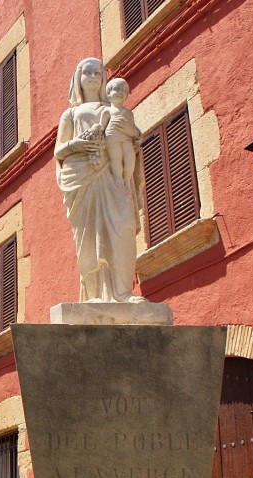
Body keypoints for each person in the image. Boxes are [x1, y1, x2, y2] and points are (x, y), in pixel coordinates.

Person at [55, 58, 145, 303]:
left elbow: (132, 137)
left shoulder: (115, 109)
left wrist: (134, 141)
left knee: (124, 227)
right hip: (83, 178)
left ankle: (123, 292)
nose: (93, 76)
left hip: (115, 175)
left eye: (97, 72)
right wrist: (77, 144)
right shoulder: (71, 114)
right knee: (89, 236)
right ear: (78, 78)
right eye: (87, 72)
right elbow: (59, 151)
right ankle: (94, 295)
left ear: (104, 79)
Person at [102, 78, 142, 184]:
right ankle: (118, 179)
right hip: (112, 136)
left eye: (123, 90)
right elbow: (101, 126)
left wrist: (138, 135)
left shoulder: (129, 113)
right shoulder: (107, 111)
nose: (120, 92)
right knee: (116, 158)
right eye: (117, 89)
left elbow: (133, 128)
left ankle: (127, 180)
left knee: (130, 157)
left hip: (126, 137)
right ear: (108, 93)